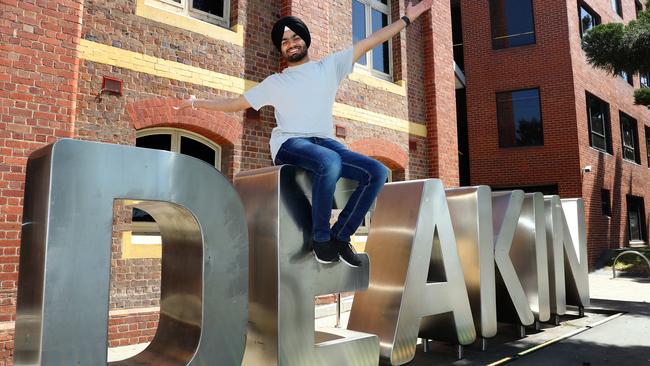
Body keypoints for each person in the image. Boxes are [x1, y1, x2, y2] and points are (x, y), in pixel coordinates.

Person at [175, 0, 434, 266]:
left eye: (295, 37)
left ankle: (341, 236)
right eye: (285, 41)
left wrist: (407, 19)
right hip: (290, 143)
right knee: (329, 161)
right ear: (281, 49)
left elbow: (370, 41)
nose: (291, 43)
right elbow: (235, 104)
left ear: (305, 40)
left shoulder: (329, 67)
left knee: (377, 172)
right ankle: (320, 239)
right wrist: (196, 103)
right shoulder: (276, 82)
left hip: (326, 142)